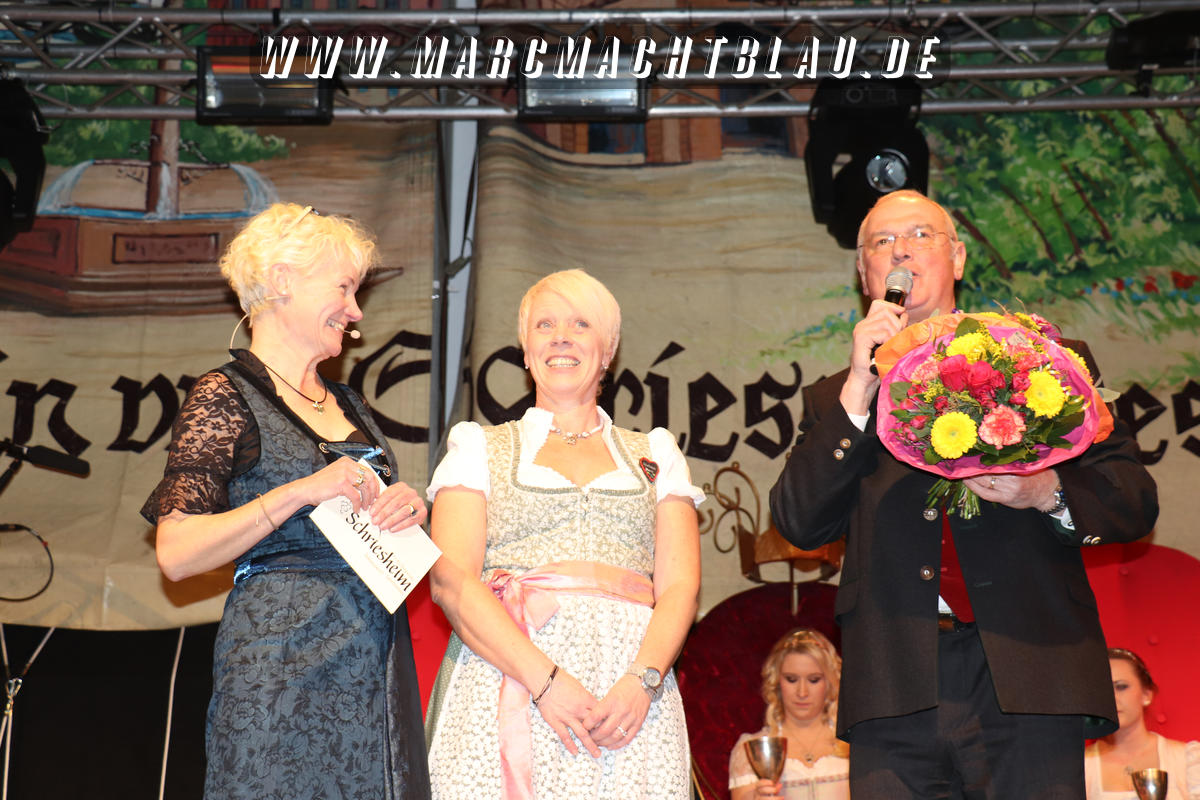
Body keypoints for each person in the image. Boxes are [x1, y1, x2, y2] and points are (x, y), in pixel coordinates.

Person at [769, 189, 1159, 799]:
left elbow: (1132, 498)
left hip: (1030, 668)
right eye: (882, 242)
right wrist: (858, 390)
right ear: (865, 274)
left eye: (919, 235)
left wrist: (1046, 492)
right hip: (895, 682)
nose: (901, 250)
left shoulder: (1044, 364)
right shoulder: (836, 399)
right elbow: (798, 521)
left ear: (958, 257)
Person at [141, 203, 431, 799]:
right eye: (344, 288)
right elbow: (176, 553)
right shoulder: (224, 396)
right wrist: (299, 492)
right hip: (280, 669)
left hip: (372, 667)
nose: (356, 310)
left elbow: (372, 525)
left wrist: (406, 509)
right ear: (281, 282)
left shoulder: (352, 405)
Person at [423, 268, 703, 799]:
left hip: (629, 701)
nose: (561, 338)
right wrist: (545, 681)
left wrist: (642, 682)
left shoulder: (655, 452)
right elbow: (451, 584)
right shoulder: (478, 447)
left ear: (608, 349)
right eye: (544, 325)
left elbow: (680, 588)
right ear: (526, 352)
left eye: (580, 324)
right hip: (508, 679)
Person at [728, 628, 850, 800]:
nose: (802, 692)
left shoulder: (853, 741)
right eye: (791, 679)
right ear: (777, 681)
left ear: (830, 682)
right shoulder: (753, 750)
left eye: (814, 680)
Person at [1085, 648, 1200, 799]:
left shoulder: (1187, 760)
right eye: (1102, 690)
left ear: (1146, 694)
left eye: (1121, 687)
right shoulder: (1081, 766)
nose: (1111, 698)